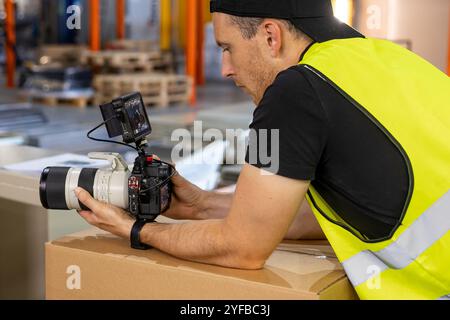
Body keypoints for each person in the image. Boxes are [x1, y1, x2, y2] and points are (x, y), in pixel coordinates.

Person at [75, 0, 450, 299]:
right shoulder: (385, 58)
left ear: (271, 36)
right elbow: (319, 211)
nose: (224, 68)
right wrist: (203, 205)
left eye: (227, 48)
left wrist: (135, 230)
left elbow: (243, 248)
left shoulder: (295, 92)